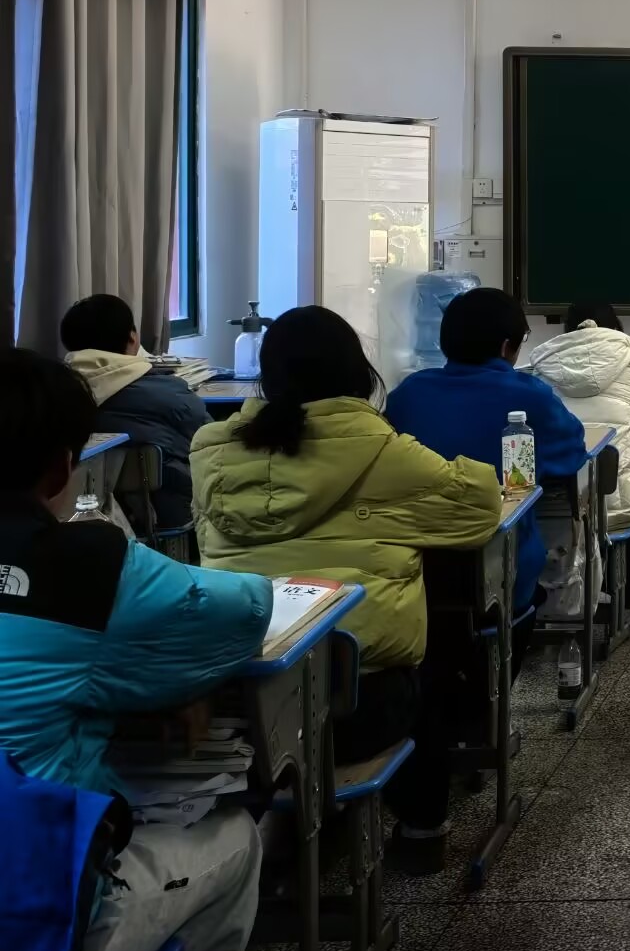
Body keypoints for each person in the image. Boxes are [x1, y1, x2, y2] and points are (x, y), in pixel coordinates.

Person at [192, 306, 500, 873]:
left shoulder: (212, 450)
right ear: (358, 372)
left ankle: (288, 827)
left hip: (235, 714)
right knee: (433, 660)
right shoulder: (381, 449)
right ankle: (421, 829)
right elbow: (479, 508)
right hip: (354, 712)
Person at [0, 348, 268, 951]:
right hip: (27, 908)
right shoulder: (85, 566)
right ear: (62, 467)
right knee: (233, 839)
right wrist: (179, 682)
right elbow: (247, 609)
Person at [387, 287, 587, 620]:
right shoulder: (530, 397)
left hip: (412, 568)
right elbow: (572, 454)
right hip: (502, 569)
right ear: (507, 347)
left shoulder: (408, 393)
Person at [59, 292, 211, 532]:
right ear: (132, 337)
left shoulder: (56, 392)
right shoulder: (169, 393)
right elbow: (210, 438)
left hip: (83, 517)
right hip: (172, 511)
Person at [524, 302, 630, 542]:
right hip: (622, 506)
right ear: (615, 326)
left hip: (564, 507)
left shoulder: (545, 363)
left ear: (568, 328)